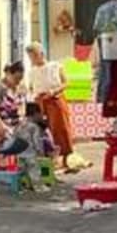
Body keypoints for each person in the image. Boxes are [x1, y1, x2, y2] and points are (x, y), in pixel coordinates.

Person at [25, 42, 77, 171]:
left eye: (35, 56)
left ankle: (64, 159)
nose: (34, 59)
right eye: (31, 57)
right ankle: (47, 160)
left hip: (55, 100)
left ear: (42, 54)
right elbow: (30, 88)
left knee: (61, 130)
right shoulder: (31, 72)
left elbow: (66, 83)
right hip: (39, 102)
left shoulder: (55, 66)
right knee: (40, 132)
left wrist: (54, 91)